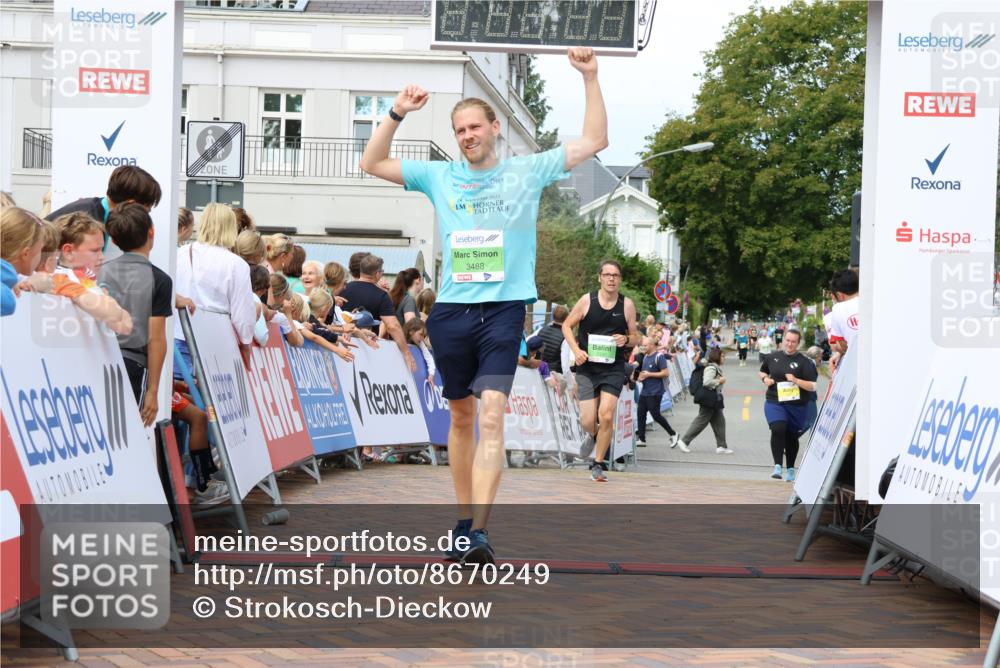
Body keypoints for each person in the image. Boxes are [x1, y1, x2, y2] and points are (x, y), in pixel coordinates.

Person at [359, 47, 608, 563]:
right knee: (463, 418)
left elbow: (595, 140)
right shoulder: (440, 176)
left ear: (495, 127)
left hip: (502, 311)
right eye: (460, 131)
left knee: (492, 414)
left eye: (475, 127)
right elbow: (372, 162)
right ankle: (463, 518)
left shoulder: (527, 171)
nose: (468, 136)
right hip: (451, 312)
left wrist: (589, 77)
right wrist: (397, 111)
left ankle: (480, 532)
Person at [563, 259, 640, 482]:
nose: (611, 279)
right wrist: (576, 350)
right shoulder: (587, 301)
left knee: (606, 415)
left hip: (613, 369)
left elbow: (636, 337)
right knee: (588, 420)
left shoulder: (627, 305)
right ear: (599, 277)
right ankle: (592, 433)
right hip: (587, 367)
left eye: (615, 275)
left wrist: (626, 339)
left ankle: (598, 464)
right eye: (607, 275)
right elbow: (567, 325)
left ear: (620, 279)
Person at [98, 203, 173, 425]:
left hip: (100, 359)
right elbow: (157, 338)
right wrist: (153, 390)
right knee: (131, 433)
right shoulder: (159, 280)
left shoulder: (103, 271)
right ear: (152, 232)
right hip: (133, 366)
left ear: (115, 240)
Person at [174, 203, 257, 376]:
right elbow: (242, 316)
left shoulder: (179, 253)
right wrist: (246, 345)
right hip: (215, 343)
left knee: (177, 398)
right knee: (212, 400)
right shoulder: (236, 265)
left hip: (177, 335)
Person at [46, 165, 162, 250]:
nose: (148, 213)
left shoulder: (97, 212)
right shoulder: (89, 220)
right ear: (131, 203)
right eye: (147, 208)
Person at [759, 328, 818, 482]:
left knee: (791, 436)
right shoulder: (772, 357)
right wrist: (765, 379)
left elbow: (813, 386)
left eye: (793, 342)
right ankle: (777, 466)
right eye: (788, 340)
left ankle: (790, 468)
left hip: (796, 405)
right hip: (774, 401)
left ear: (798, 343)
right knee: (778, 428)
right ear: (783, 340)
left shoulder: (805, 362)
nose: (790, 344)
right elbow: (762, 371)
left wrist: (797, 381)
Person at [339, 253, 415, 371]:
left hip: (342, 347)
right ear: (377, 273)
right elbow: (392, 325)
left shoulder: (344, 288)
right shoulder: (381, 295)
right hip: (368, 349)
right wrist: (406, 352)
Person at [676, 348, 732, 454]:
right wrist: (720, 380)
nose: (724, 358)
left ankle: (722, 446)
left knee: (719, 421)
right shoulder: (711, 368)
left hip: (714, 400)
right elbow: (707, 382)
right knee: (701, 421)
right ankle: (684, 441)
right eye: (723, 356)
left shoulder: (714, 367)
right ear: (717, 357)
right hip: (709, 399)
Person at [635, 336, 679, 448]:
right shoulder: (645, 357)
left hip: (656, 391)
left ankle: (673, 434)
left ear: (652, 345)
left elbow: (665, 373)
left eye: (645, 345)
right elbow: (645, 372)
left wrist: (649, 374)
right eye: (642, 345)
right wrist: (641, 377)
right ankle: (642, 439)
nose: (643, 347)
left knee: (656, 415)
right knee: (640, 413)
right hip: (645, 390)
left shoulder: (659, 357)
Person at [827, 268, 859, 371]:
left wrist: (839, 351)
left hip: (856, 364)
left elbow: (842, 346)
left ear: (840, 295)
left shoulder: (838, 309)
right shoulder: (873, 300)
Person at [537, 304, 568, 374]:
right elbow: (565, 365)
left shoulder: (541, 330)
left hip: (538, 371)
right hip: (554, 375)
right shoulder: (565, 337)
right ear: (566, 318)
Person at [404, 317, 436, 384]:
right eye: (421, 334)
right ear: (411, 331)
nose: (422, 338)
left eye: (424, 336)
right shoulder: (400, 338)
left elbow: (429, 358)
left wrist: (431, 374)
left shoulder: (421, 343)